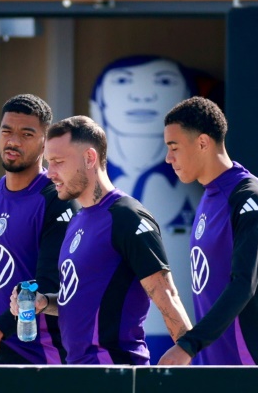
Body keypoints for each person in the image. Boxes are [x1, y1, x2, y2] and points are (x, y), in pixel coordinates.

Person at [12, 115, 193, 365]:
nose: (50, 173)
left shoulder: (126, 216)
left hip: (117, 375)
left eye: (58, 162)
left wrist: (195, 365)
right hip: (77, 374)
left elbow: (167, 296)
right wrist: (44, 302)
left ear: (89, 158)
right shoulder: (77, 221)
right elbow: (77, 301)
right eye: (48, 163)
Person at [158, 96, 258, 365]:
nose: (168, 158)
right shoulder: (208, 198)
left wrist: (189, 345)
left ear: (203, 142)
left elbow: (243, 284)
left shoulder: (249, 197)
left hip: (251, 366)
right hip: (213, 367)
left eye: (174, 147)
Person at [89, 55, 204, 359]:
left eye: (163, 82)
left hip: (187, 330)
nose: (142, 94)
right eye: (123, 81)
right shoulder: (84, 196)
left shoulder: (204, 193)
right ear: (98, 104)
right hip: (108, 338)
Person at [0, 94, 78, 364]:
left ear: (45, 141)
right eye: (6, 131)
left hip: (41, 359)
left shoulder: (57, 200)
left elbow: (48, 286)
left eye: (26, 134)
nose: (13, 141)